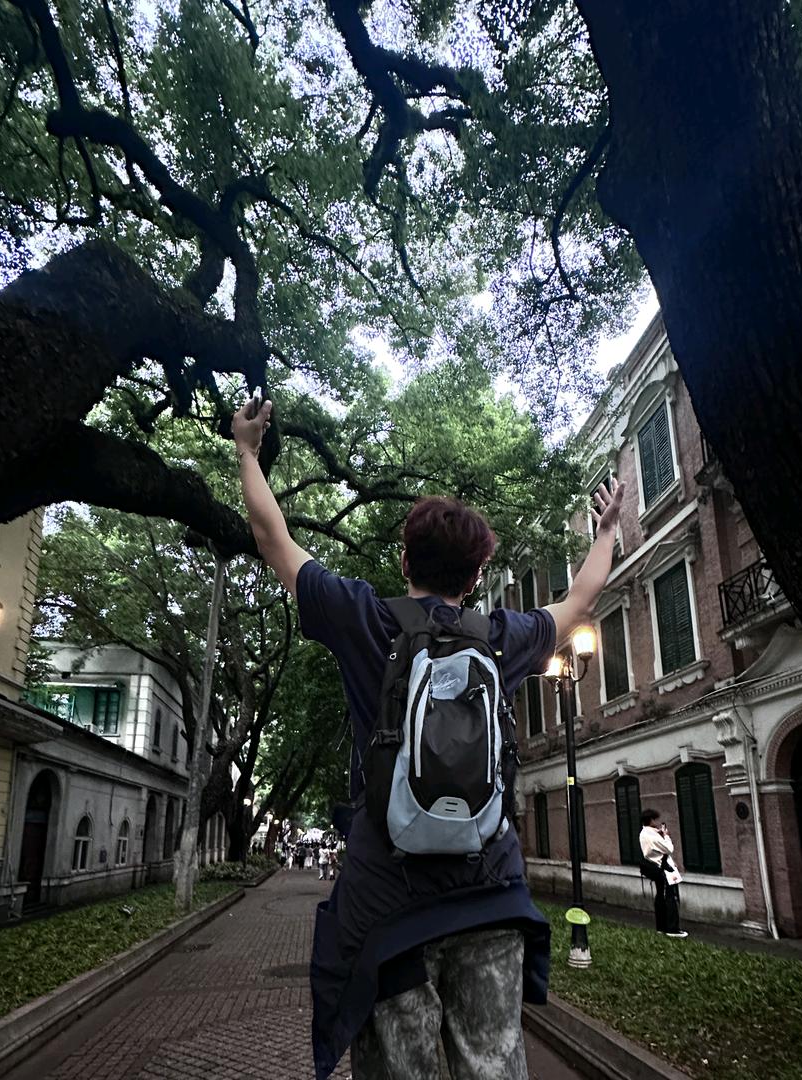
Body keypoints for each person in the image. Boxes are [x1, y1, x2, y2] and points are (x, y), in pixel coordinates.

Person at [233, 390, 626, 1080]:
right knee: (493, 1064)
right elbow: (581, 599)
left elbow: (274, 541)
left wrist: (246, 451)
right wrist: (606, 532)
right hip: (491, 893)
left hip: (389, 910)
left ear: (404, 561)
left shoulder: (365, 619)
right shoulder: (501, 637)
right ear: (477, 576)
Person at [639, 808, 688, 939]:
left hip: (657, 868)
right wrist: (666, 836)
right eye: (655, 819)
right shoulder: (651, 836)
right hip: (664, 870)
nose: (657, 822)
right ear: (651, 820)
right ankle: (672, 928)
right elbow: (669, 848)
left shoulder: (644, 833)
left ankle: (661, 926)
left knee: (661, 896)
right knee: (670, 897)